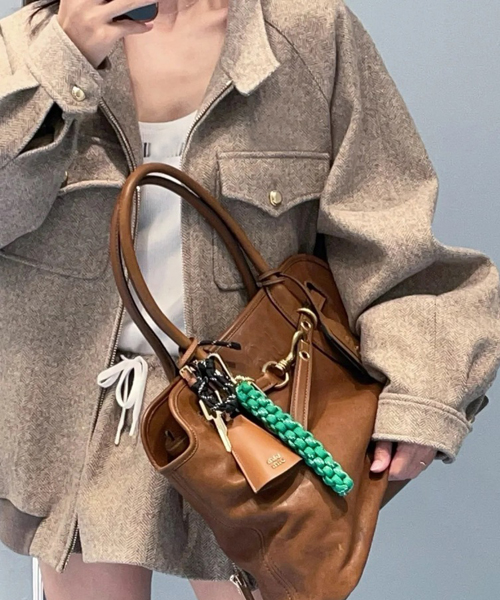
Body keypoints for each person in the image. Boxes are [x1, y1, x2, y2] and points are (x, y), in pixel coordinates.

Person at [0, 0, 499, 598]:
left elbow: (392, 236)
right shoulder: (26, 46)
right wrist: (64, 58)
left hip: (253, 421)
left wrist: (421, 397)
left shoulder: (309, 35)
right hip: (69, 431)